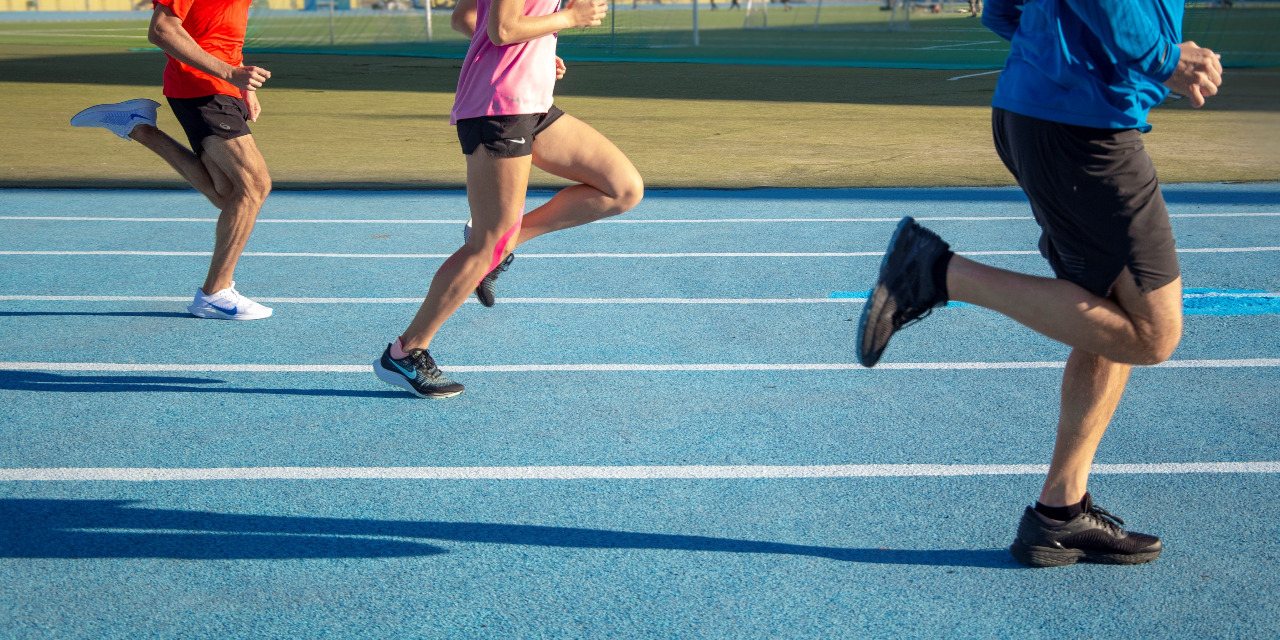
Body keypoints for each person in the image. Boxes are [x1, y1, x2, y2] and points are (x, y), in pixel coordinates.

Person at [855, 0, 1223, 567]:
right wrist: (1161, 57)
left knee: (1104, 311)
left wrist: (1057, 56)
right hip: (1083, 129)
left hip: (1056, 114)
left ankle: (1059, 514)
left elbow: (1002, 9)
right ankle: (935, 271)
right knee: (1153, 333)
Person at [373, 0, 644, 398]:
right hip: (498, 108)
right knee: (487, 243)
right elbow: (502, 30)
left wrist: (535, 50)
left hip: (531, 103)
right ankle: (406, 351)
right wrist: (570, 19)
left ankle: (503, 248)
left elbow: (467, 17)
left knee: (622, 189)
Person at [70, 0, 275, 321]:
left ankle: (140, 127)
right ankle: (215, 293)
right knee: (254, 185)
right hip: (201, 87)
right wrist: (230, 72)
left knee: (229, 195)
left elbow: (220, 27)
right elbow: (162, 30)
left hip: (223, 88)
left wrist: (241, 83)